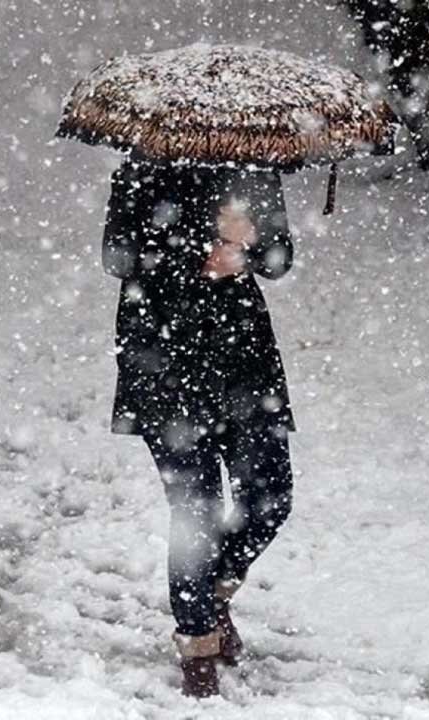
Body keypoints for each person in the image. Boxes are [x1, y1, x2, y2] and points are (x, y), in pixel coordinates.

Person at [101, 151, 296, 698]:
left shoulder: (254, 165)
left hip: (243, 361)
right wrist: (201, 246)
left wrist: (249, 245)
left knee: (271, 495)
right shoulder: (143, 168)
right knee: (197, 511)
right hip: (163, 359)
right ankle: (197, 648)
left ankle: (210, 595)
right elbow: (118, 257)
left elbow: (280, 259)